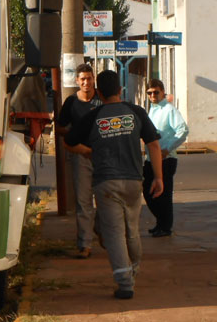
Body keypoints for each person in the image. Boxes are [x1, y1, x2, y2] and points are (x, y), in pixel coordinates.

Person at [64, 70, 163, 300]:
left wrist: (87, 151)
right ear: (121, 90)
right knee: (132, 230)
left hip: (106, 183)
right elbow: (154, 145)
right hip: (133, 181)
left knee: (114, 234)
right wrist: (158, 177)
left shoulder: (93, 116)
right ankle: (133, 270)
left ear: (98, 92)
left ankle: (125, 283)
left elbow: (68, 142)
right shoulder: (136, 112)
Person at [56, 63, 102, 259]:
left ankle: (101, 230)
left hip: (102, 156)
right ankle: (85, 244)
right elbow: (58, 128)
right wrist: (74, 133)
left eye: (89, 78)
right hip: (80, 156)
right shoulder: (71, 102)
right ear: (77, 81)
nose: (86, 82)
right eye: (82, 79)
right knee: (83, 203)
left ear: (94, 79)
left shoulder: (102, 100)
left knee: (106, 200)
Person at [143, 79, 188, 238]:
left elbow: (182, 131)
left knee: (164, 194)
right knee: (148, 191)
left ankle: (165, 226)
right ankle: (160, 223)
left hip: (166, 159)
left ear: (162, 92)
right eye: (150, 93)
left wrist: (167, 149)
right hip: (151, 158)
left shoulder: (169, 109)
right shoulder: (152, 110)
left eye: (156, 92)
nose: (153, 95)